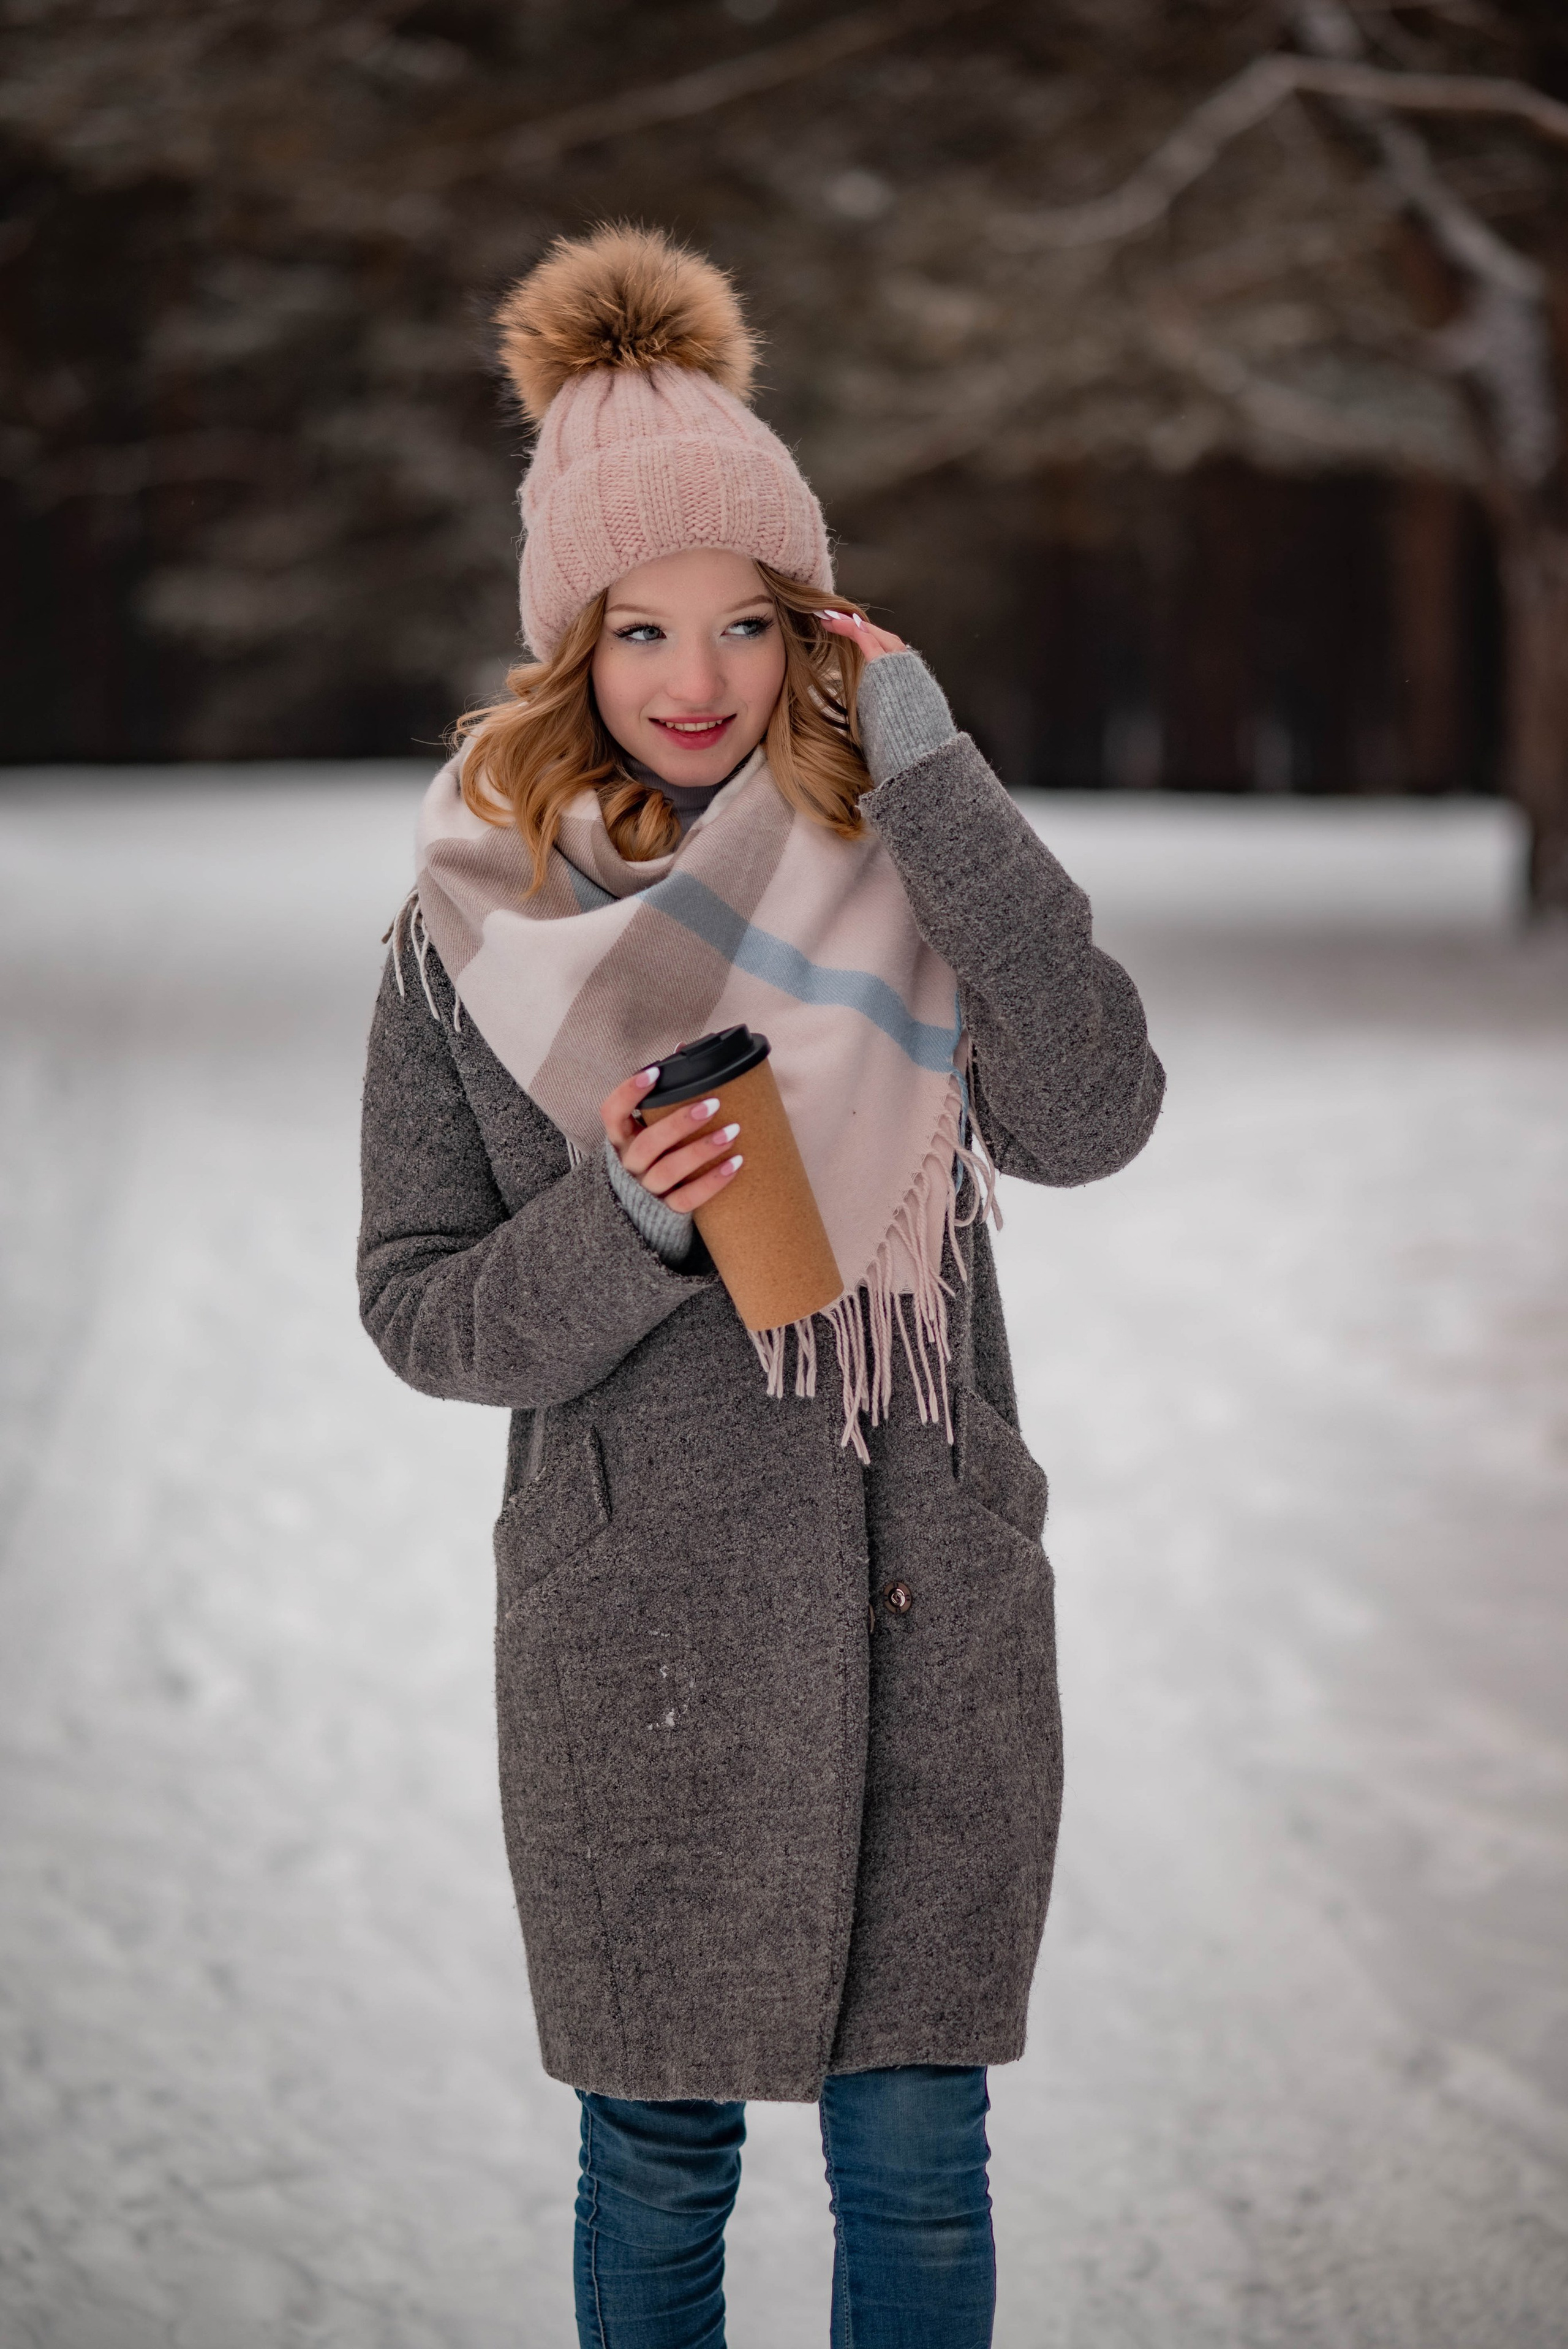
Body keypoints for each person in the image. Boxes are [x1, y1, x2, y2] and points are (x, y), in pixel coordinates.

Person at [358, 223, 1163, 2349]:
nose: (694, 680)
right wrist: (620, 1219)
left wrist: (935, 769)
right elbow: (418, 1305)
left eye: (745, 621)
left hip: (928, 1608)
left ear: (810, 630)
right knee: (660, 2154)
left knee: (916, 2153)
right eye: (639, 630)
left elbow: (1091, 1109)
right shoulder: (469, 931)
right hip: (645, 1645)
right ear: (573, 648)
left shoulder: (910, 865)